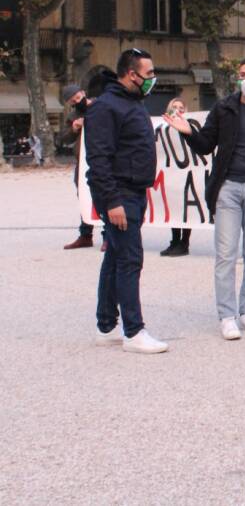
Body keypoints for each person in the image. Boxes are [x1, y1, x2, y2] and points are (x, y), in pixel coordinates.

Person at [164, 58, 245, 340]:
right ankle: (226, 316)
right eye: (242, 74)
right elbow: (206, 144)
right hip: (229, 187)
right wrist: (188, 132)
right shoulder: (225, 108)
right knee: (225, 254)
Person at [85, 48, 167, 354]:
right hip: (120, 194)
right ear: (131, 74)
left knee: (115, 258)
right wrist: (112, 200)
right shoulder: (107, 107)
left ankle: (106, 326)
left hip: (133, 191)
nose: (152, 79)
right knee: (130, 260)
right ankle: (134, 331)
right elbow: (99, 159)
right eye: (148, 74)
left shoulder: (130, 103)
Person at [59, 84, 95, 249]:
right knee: (84, 198)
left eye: (78, 96)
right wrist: (74, 128)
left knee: (105, 197)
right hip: (82, 164)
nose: (76, 100)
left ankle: (108, 236)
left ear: (83, 92)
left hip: (102, 160)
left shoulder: (100, 106)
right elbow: (64, 139)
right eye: (72, 100)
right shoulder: (72, 116)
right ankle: (85, 235)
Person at [160, 97, 192, 257]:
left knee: (185, 207)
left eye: (181, 107)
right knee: (173, 206)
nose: (178, 110)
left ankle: (184, 243)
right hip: (170, 172)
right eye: (175, 107)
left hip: (187, 172)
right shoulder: (163, 127)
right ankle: (174, 241)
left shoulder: (190, 125)